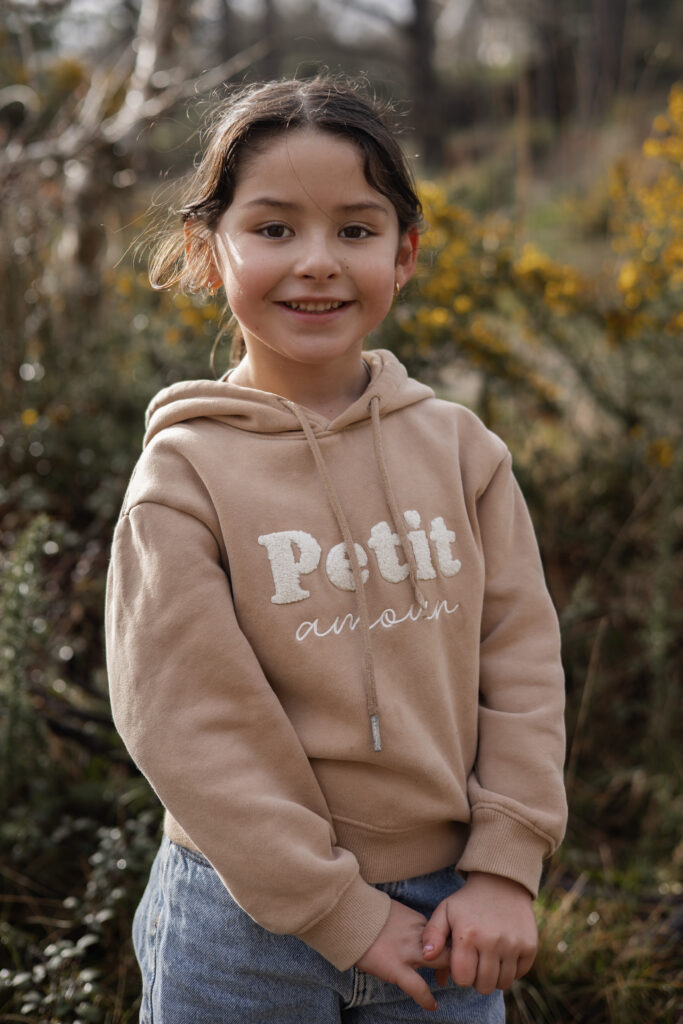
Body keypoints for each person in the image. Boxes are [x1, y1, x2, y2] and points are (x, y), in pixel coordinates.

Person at [105, 75, 567, 1024]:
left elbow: (521, 668)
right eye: (273, 229)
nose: (316, 262)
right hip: (243, 928)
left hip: (451, 921)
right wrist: (336, 910)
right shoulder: (184, 477)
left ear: (403, 255)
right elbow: (188, 724)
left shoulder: (462, 451)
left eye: (354, 231)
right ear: (206, 249)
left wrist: (506, 868)